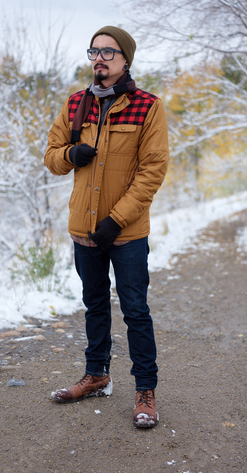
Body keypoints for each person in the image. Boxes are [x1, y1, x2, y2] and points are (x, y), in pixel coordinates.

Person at [44, 26, 169, 428]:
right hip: (84, 229)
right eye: (94, 51)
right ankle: (96, 375)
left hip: (127, 232)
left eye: (108, 52)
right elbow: (51, 158)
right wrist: (70, 153)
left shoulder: (148, 107)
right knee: (95, 304)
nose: (99, 58)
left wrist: (117, 220)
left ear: (125, 60)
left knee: (135, 310)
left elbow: (153, 171)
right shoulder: (76, 104)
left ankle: (145, 391)